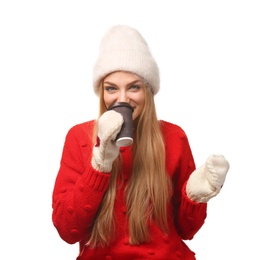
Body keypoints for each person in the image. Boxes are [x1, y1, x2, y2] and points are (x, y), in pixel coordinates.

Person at [52, 24, 230, 260]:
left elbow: (188, 231)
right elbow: (67, 231)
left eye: (134, 87)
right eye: (111, 88)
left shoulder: (174, 137)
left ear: (148, 91)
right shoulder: (80, 137)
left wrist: (194, 197)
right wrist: (99, 165)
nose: (122, 98)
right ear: (102, 92)